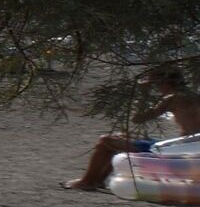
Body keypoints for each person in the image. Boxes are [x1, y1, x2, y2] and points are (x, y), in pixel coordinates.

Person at [67, 64, 200, 190]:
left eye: (156, 85)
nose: (158, 89)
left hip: (179, 151)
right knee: (121, 137)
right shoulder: (194, 96)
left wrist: (143, 93)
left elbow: (137, 118)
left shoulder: (173, 98)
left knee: (105, 141)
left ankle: (87, 182)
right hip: (186, 147)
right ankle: (98, 180)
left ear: (163, 83)